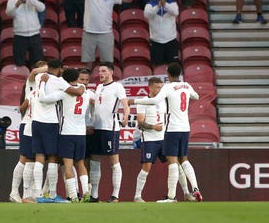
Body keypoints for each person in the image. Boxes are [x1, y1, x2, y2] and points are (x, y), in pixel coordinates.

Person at [133, 62, 202, 203]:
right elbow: (196, 96)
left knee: (175, 163)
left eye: (160, 86)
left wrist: (131, 101)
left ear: (168, 75)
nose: (159, 89)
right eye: (156, 87)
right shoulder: (186, 86)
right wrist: (152, 127)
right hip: (157, 137)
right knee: (152, 166)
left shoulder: (166, 93)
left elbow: (157, 101)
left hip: (168, 134)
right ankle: (138, 196)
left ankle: (179, 195)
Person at [57, 0, 133, 67]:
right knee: (88, 63)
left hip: (106, 33)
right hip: (89, 32)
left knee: (107, 64)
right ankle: (86, 82)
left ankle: (107, 83)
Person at [30, 59, 85, 203]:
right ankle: (52, 195)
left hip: (36, 121)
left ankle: (38, 194)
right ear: (59, 69)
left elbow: (34, 73)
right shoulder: (59, 82)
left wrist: (43, 80)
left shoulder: (38, 77)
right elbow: (76, 91)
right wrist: (82, 87)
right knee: (53, 158)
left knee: (39, 157)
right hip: (50, 123)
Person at [87, 62, 130, 203]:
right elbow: (98, 105)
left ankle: (115, 195)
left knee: (114, 161)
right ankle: (94, 195)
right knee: (94, 161)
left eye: (103, 71)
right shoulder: (98, 87)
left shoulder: (117, 86)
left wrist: (126, 115)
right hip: (97, 128)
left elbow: (125, 103)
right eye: (99, 71)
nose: (100, 73)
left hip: (110, 129)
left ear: (111, 72)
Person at [10, 61, 48, 203]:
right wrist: (52, 68)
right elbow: (33, 73)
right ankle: (16, 192)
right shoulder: (32, 82)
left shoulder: (44, 87)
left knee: (33, 160)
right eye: (42, 70)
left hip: (38, 125)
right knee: (25, 159)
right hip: (28, 123)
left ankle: (30, 193)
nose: (44, 74)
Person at [5, 0, 45, 67]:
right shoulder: (12, 1)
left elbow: (42, 8)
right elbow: (9, 14)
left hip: (34, 35)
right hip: (20, 36)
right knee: (19, 63)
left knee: (38, 63)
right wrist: (17, 5)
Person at [144, 0, 179, 66]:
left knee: (173, 66)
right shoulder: (150, 4)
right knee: (157, 66)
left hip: (171, 41)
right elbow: (147, 15)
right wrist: (158, 6)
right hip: (156, 42)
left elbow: (175, 12)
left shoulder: (172, 3)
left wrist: (165, 4)